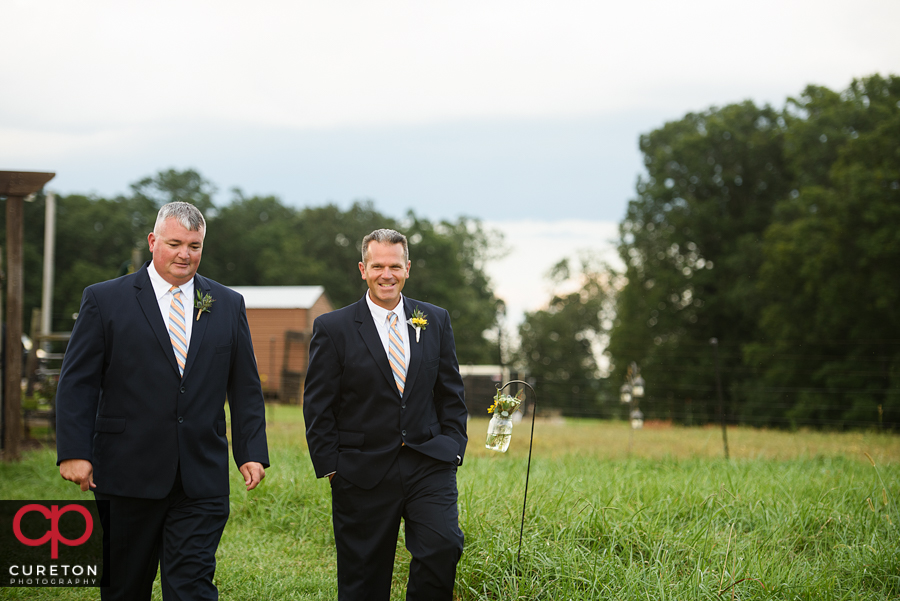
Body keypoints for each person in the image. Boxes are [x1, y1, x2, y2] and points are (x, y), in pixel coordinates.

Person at [56, 201, 269, 601]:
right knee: (124, 587)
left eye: (194, 246)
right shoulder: (104, 300)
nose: (185, 255)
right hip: (124, 472)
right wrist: (73, 450)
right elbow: (77, 383)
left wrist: (251, 450)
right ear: (153, 241)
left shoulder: (227, 303)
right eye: (175, 244)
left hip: (200, 477)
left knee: (192, 587)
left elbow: (244, 387)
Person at [304, 228, 468, 601]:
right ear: (363, 269)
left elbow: (451, 392)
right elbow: (318, 403)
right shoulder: (333, 328)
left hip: (429, 461)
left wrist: (454, 446)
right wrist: (331, 466)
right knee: (363, 577)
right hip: (360, 470)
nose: (387, 274)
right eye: (378, 266)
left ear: (407, 268)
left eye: (395, 266)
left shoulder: (435, 319)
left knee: (443, 546)